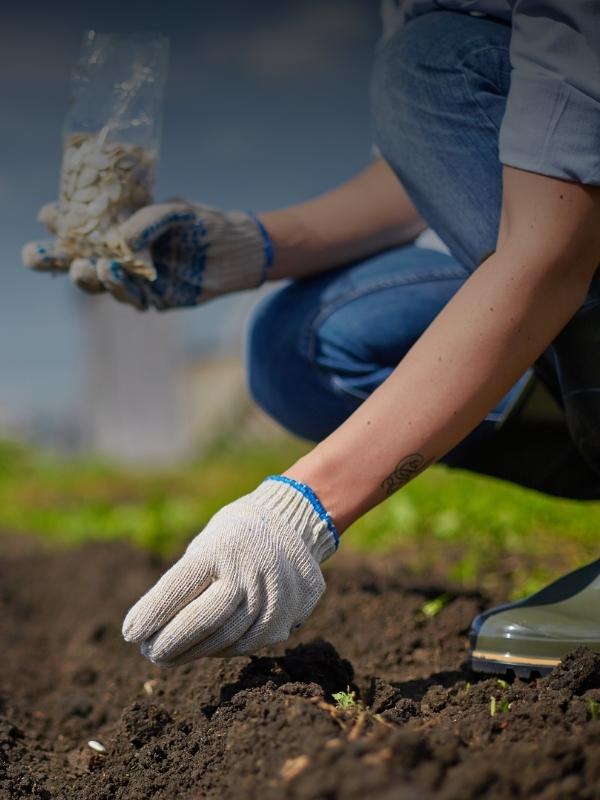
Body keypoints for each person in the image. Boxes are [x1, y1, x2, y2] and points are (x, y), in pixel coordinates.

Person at [23, 1, 600, 676]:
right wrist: (248, 249)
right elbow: (441, 158)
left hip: (564, 243)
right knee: (298, 347)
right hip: (555, 229)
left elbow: (557, 249)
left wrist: (302, 509)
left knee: (432, 63)